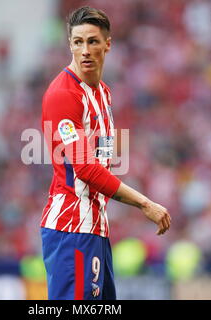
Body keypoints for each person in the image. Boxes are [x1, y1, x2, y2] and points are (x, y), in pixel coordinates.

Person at [40, 6, 172, 300]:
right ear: (70, 45)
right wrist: (144, 203)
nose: (84, 50)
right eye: (77, 42)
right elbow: (85, 169)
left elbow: (103, 159)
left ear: (107, 44)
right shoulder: (63, 94)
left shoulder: (104, 94)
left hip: (96, 229)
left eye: (92, 41)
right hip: (70, 228)